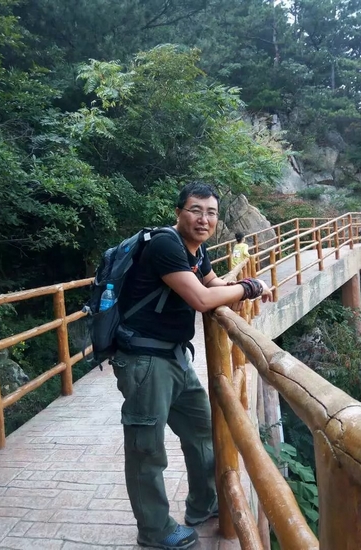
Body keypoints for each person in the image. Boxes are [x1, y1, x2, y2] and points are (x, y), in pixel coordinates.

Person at [112, 181, 272, 550]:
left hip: (175, 357)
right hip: (144, 360)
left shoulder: (197, 251)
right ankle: (154, 530)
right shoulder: (166, 245)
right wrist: (250, 287)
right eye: (195, 210)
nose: (204, 219)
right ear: (179, 212)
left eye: (211, 212)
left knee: (203, 430)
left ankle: (203, 504)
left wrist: (243, 285)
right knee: (146, 448)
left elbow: (214, 284)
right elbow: (201, 298)